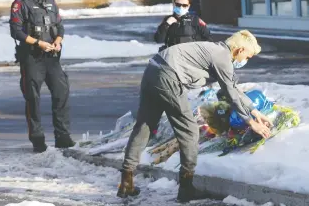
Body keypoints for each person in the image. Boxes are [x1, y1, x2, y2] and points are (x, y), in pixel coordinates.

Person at [117, 30, 273, 202]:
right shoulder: (222, 57)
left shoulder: (215, 50)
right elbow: (231, 93)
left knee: (144, 126)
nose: (246, 61)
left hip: (153, 71)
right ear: (240, 50)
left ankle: (126, 181)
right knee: (190, 132)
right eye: (248, 57)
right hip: (168, 77)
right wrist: (251, 122)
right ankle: (186, 188)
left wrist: (254, 111)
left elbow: (233, 89)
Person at [9, 0, 75, 153]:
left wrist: (58, 41)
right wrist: (38, 43)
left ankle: (63, 136)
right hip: (32, 57)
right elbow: (16, 31)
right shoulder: (20, 4)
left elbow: (59, 27)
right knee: (33, 99)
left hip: (52, 57)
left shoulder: (50, 2)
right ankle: (38, 140)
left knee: (61, 92)